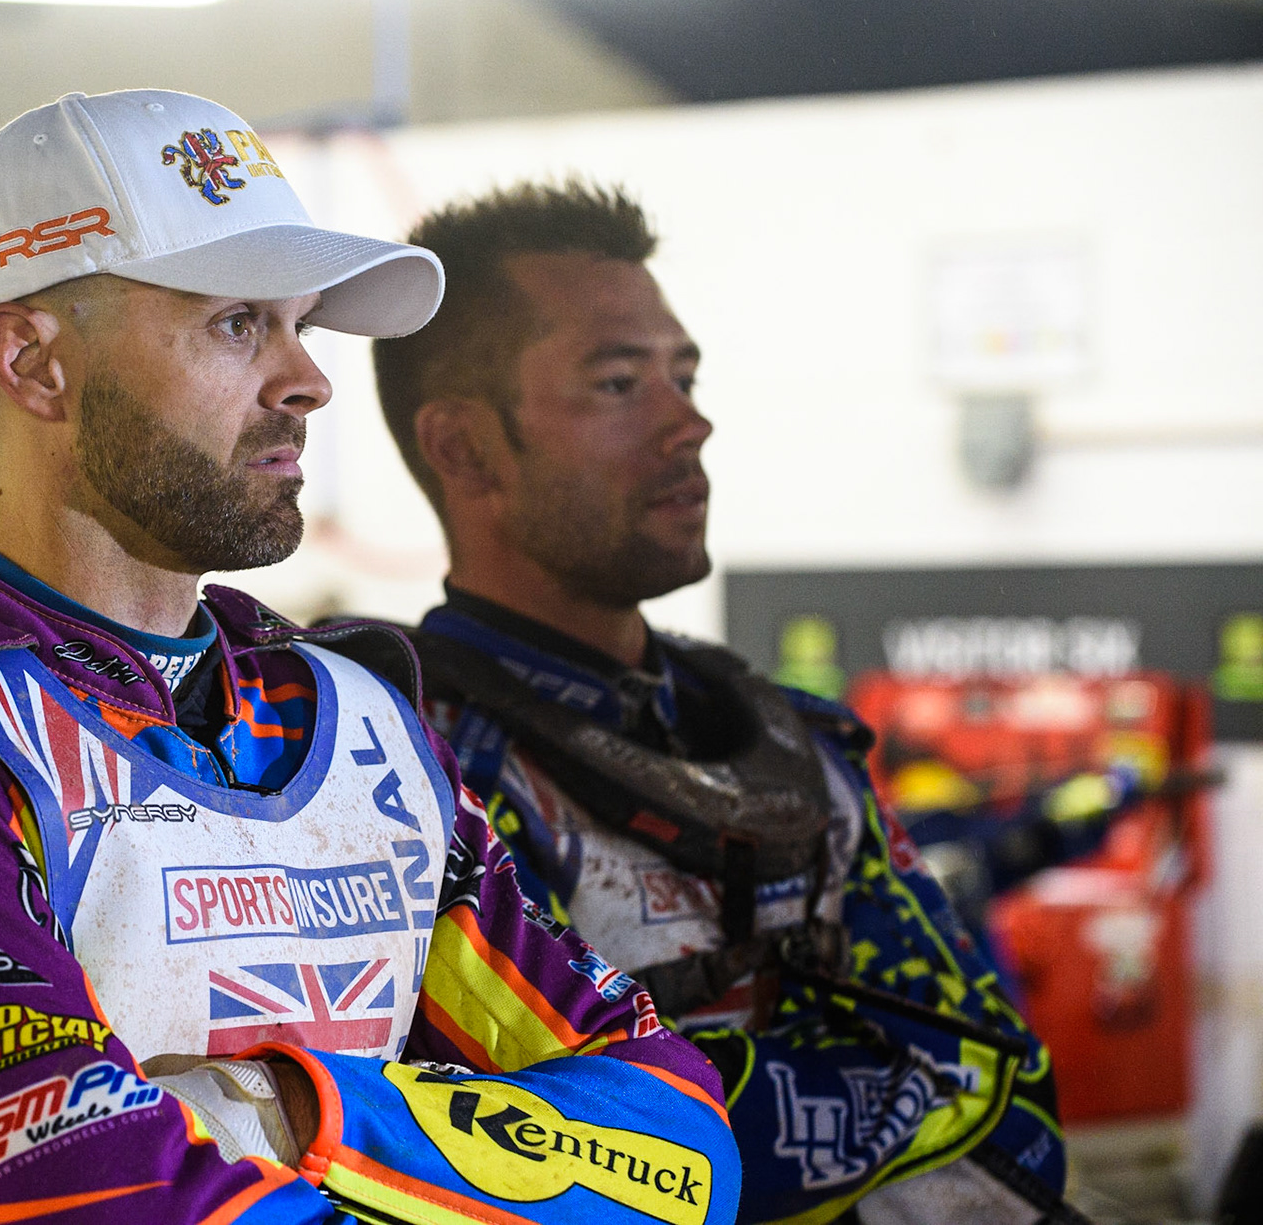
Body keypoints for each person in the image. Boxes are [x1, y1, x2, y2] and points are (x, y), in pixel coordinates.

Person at [0, 93, 740, 1225]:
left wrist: (307, 1118)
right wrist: (472, 1169)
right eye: (239, 322)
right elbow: (92, 1200)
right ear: (35, 363)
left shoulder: (356, 720)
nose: (310, 379)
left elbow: (682, 1141)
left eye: (303, 323)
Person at [368, 182, 1075, 1224]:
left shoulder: (799, 744)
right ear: (465, 447)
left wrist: (708, 1099)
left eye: (684, 375)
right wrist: (886, 1095)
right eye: (618, 384)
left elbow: (1010, 1093)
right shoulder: (394, 769)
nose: (689, 423)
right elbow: (576, 1165)